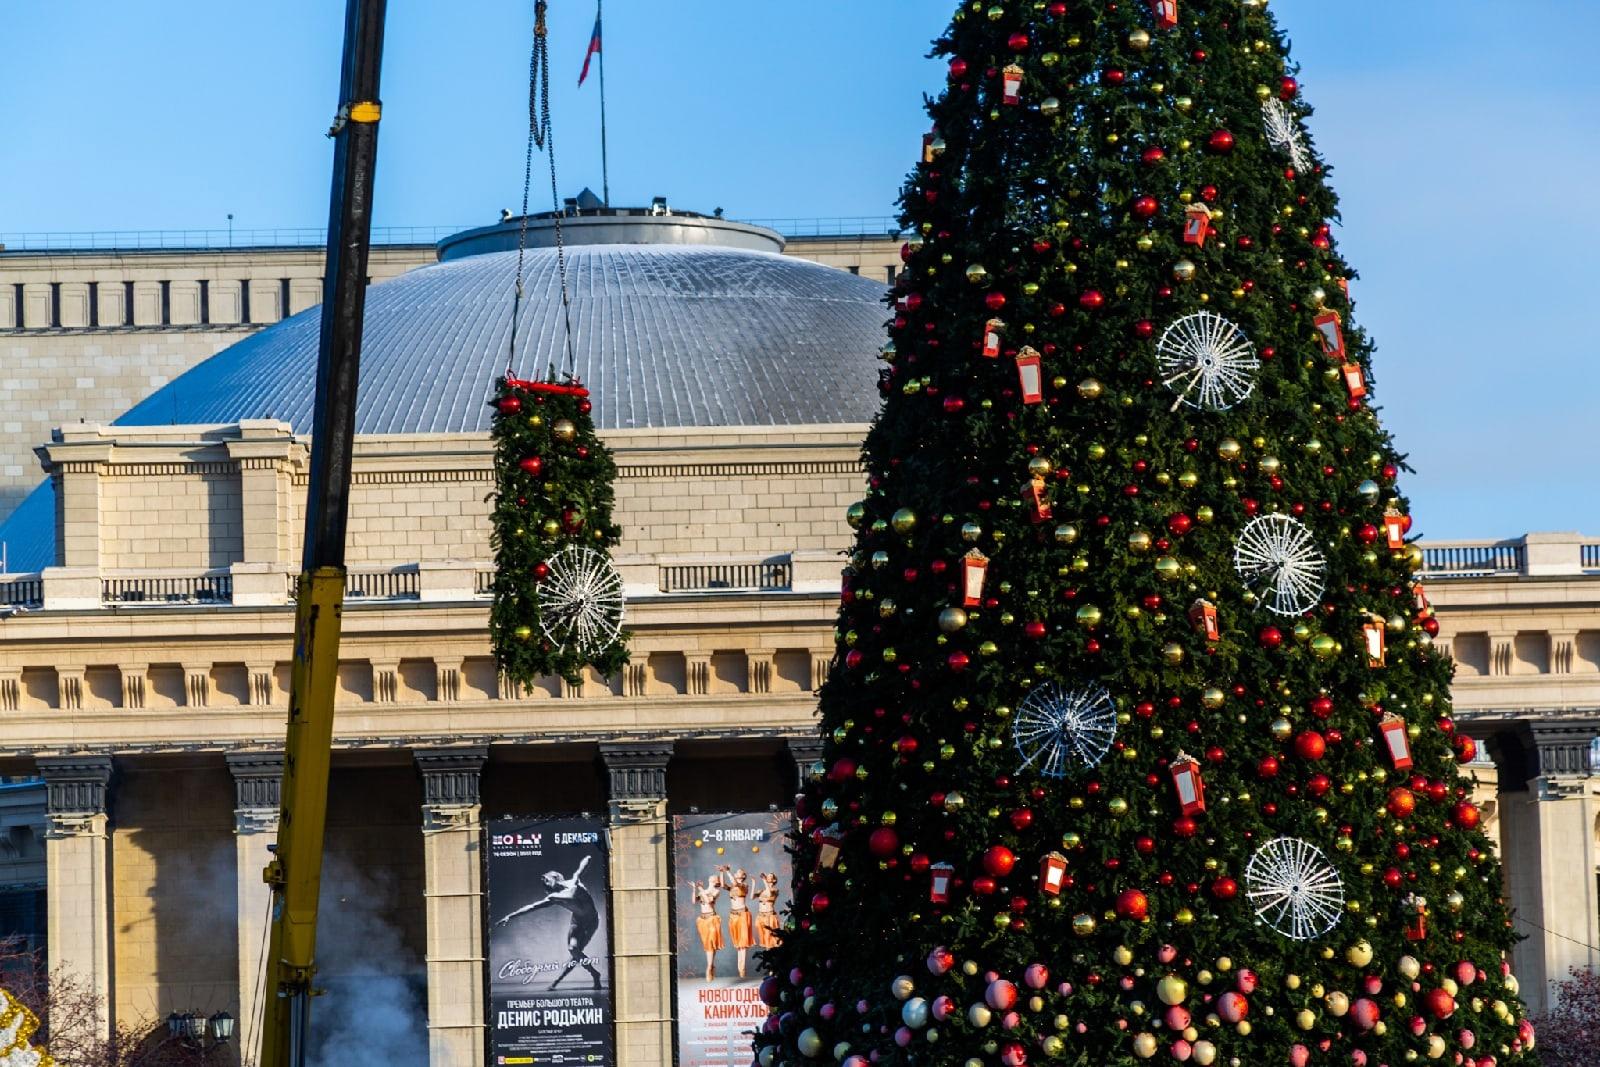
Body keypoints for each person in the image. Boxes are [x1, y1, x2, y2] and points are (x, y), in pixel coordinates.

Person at [495, 854, 603, 990]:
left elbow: (585, 863)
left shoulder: (574, 884)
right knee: (573, 950)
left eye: (546, 879)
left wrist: (586, 862)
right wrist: (509, 916)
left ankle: (589, 975)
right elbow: (532, 907)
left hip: (591, 921)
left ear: (556, 878)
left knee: (577, 953)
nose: (544, 882)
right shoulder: (554, 897)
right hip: (577, 922)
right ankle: (591, 975)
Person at [721, 866, 755, 979]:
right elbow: (722, 885)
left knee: (743, 944)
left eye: (740, 871)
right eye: (737, 871)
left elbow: (736, 883)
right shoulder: (731, 887)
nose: (738, 871)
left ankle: (742, 968)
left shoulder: (744, 886)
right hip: (733, 915)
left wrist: (728, 871)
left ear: (743, 876)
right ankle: (740, 967)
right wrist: (722, 872)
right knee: (738, 944)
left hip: (743, 915)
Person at [690, 875, 725, 981]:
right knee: (708, 944)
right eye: (712, 877)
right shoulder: (702, 891)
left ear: (716, 882)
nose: (714, 878)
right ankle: (711, 965)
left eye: (716, 878)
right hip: (702, 920)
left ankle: (709, 967)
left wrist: (700, 889)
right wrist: (694, 889)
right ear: (710, 880)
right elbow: (694, 901)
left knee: (710, 942)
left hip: (712, 919)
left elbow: (709, 901)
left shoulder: (716, 891)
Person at [755, 871, 782, 950]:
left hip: (769, 916)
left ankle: (773, 958)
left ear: (774, 880)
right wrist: (753, 883)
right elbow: (752, 897)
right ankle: (768, 957)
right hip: (761, 916)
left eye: (770, 876)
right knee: (764, 938)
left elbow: (769, 893)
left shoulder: (775, 890)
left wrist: (764, 880)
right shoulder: (762, 891)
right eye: (767, 876)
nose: (768, 877)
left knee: (770, 937)